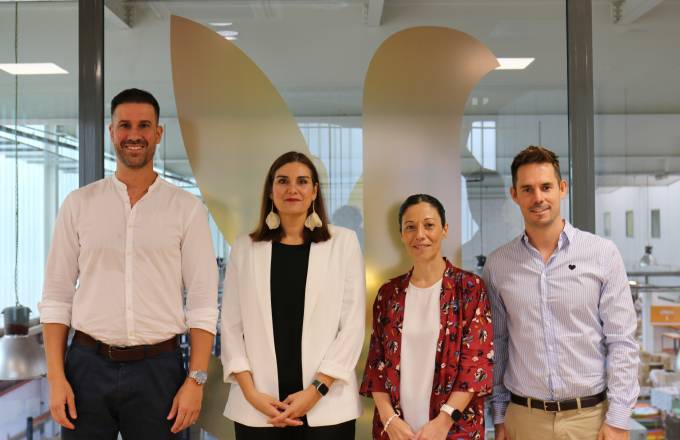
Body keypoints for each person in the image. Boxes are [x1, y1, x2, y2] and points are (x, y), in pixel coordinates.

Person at [39, 88, 219, 439]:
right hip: (86, 368)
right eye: (125, 125)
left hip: (159, 370)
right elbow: (57, 296)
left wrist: (196, 381)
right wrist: (56, 378)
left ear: (158, 133)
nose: (134, 135)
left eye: (144, 126)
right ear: (111, 132)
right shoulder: (79, 204)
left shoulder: (187, 209)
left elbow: (202, 303)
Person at [483, 146, 639, 440]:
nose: (538, 198)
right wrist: (500, 415)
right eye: (527, 189)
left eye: (546, 187)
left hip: (590, 421)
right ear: (514, 194)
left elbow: (622, 341)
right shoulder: (498, 265)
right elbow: (498, 345)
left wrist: (618, 419)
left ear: (562, 188)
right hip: (524, 421)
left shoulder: (602, 253)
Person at [220, 151, 365, 439]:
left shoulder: (343, 243)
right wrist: (251, 394)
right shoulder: (245, 248)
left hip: (326, 408)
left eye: (302, 181)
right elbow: (231, 327)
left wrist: (316, 390)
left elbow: (352, 326)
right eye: (283, 181)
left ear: (314, 191)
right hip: (259, 408)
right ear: (270, 191)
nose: (292, 189)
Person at [361, 194, 493, 440]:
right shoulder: (389, 294)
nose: (420, 235)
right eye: (410, 227)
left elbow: (476, 364)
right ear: (401, 235)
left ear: (445, 230)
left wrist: (442, 423)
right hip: (396, 432)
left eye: (429, 225)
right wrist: (390, 420)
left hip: (453, 430)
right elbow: (376, 365)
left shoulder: (469, 288)